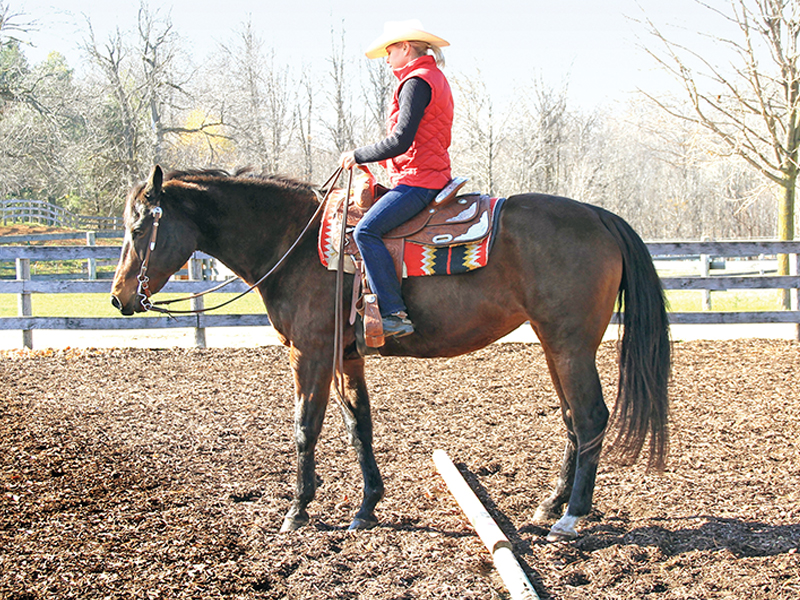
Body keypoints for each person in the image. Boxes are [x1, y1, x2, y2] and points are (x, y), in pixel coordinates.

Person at [340, 19, 454, 338]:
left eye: (389, 51)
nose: (387, 58)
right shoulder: (434, 77)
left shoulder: (416, 82)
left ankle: (394, 313)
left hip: (419, 179)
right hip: (428, 173)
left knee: (366, 231)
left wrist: (357, 155)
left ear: (405, 48)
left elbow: (401, 140)